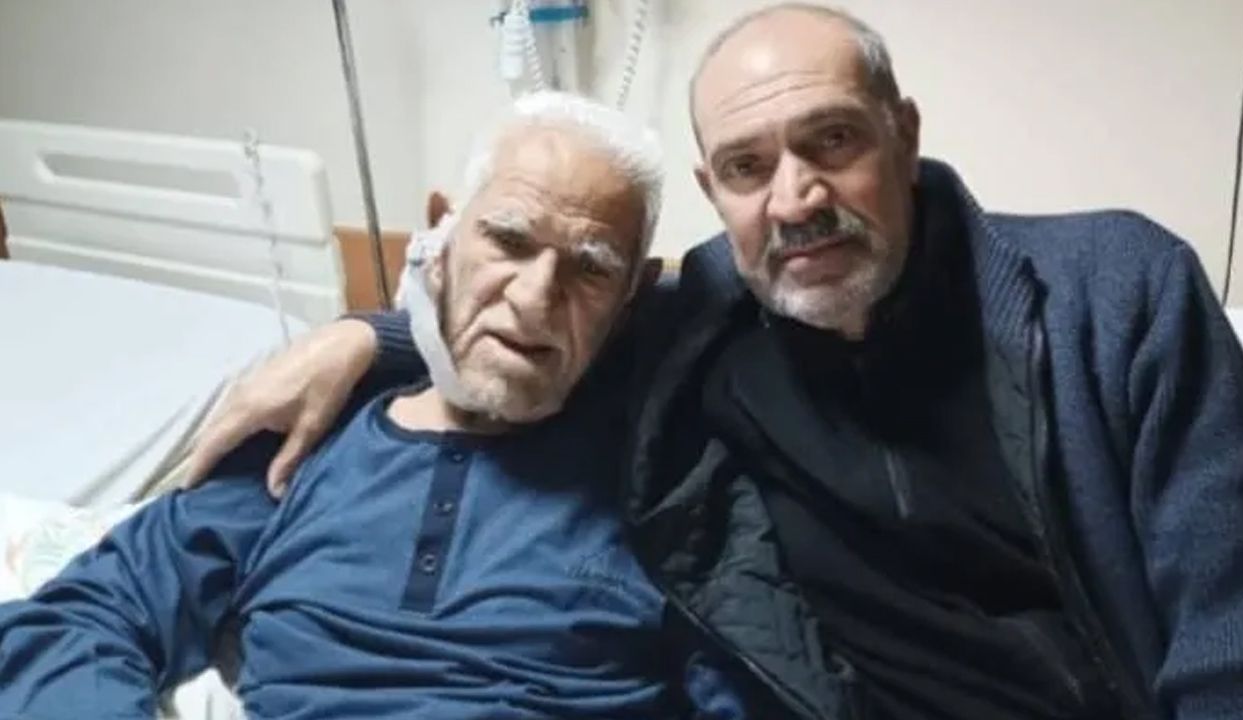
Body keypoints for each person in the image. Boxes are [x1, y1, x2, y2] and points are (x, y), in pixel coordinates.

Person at [186, 4, 1243, 720]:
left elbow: (1242, 637)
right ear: (715, 193)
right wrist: (367, 336)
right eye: (749, 167)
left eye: (832, 141)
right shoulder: (703, 317)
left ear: (903, 134)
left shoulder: (1112, 293)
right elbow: (533, 316)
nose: (795, 199)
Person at [0, 92, 747, 720]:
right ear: (442, 236)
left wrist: (367, 334)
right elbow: (78, 622)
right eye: (508, 241)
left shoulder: (667, 485)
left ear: (632, 298)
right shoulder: (301, 449)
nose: (534, 298)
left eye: (590, 270)